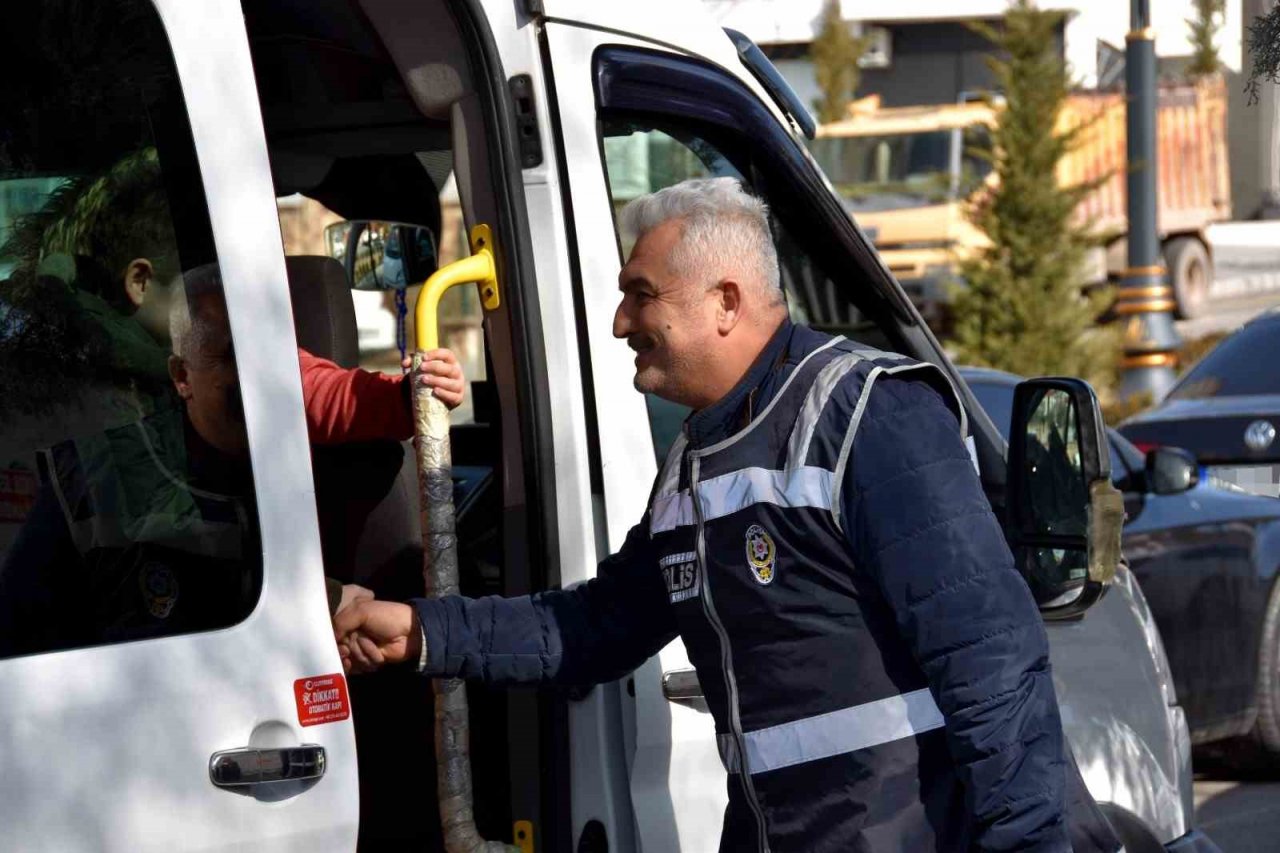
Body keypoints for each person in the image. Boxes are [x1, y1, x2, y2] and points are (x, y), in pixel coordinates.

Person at [334, 178, 1079, 851]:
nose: (621, 322)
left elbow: (992, 660)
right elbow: (592, 627)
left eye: (641, 293)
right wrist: (424, 631)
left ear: (726, 302)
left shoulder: (870, 418)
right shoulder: (697, 458)